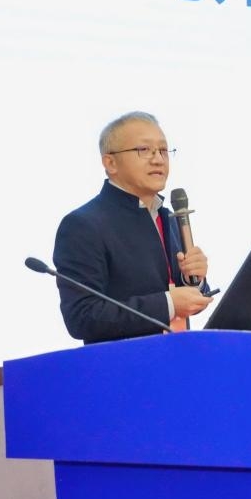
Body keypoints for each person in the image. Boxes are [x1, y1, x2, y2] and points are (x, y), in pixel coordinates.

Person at [53, 111, 213, 343]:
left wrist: (193, 280)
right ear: (110, 163)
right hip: (125, 362)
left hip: (179, 355)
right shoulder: (83, 225)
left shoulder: (168, 217)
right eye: (144, 150)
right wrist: (168, 304)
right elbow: (82, 316)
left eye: (163, 150)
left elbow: (183, 297)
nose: (158, 159)